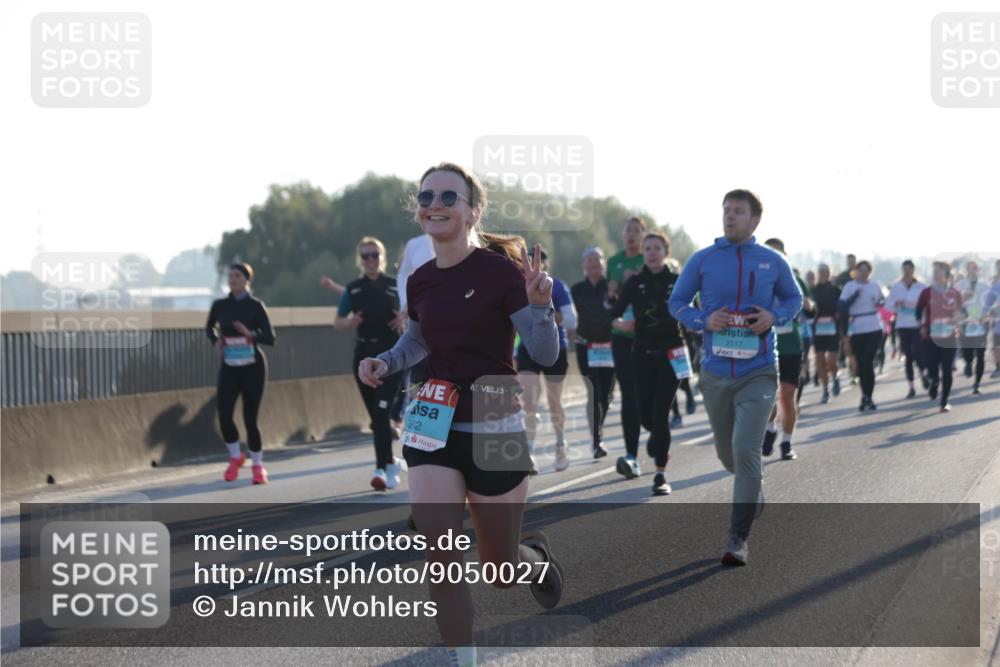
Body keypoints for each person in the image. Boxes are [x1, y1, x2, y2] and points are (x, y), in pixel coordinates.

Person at [358, 163, 563, 665]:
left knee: (499, 570)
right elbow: (417, 339)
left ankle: (532, 562)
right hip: (433, 422)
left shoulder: (500, 273)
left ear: (473, 211)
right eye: (427, 195)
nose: (435, 203)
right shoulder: (422, 280)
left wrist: (540, 309)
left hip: (495, 416)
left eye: (449, 196)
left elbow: (546, 351)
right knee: (441, 558)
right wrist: (385, 361)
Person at [669, 189, 803, 565]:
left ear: (755, 219)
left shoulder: (772, 261)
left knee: (746, 449)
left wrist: (773, 317)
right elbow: (676, 302)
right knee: (729, 456)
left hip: (758, 370)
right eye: (726, 210)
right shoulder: (703, 260)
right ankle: (751, 483)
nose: (730, 216)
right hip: (714, 371)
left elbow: (793, 301)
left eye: (738, 211)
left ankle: (737, 538)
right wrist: (702, 320)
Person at [607, 230, 686, 496]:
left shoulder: (677, 281)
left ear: (666, 252)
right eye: (648, 248)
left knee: (661, 413)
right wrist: (621, 323)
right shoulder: (634, 282)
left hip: (671, 354)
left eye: (657, 248)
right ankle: (654, 436)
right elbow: (615, 314)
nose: (652, 252)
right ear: (643, 252)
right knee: (646, 417)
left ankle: (660, 475)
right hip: (641, 354)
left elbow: (693, 311)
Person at [334, 236, 408, 491]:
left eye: (374, 255)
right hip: (364, 357)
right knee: (377, 419)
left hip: (392, 358)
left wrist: (403, 316)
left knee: (380, 413)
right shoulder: (352, 289)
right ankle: (390, 464)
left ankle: (381, 469)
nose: (370, 260)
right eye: (365, 256)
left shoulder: (395, 285)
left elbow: (416, 307)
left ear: (382, 258)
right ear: (360, 260)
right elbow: (338, 321)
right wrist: (350, 322)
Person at [205, 263, 275, 485]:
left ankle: (258, 466)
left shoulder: (255, 306)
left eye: (237, 275)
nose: (232, 279)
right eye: (230, 275)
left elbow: (270, 337)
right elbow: (209, 328)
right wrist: (216, 342)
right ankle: (235, 457)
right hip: (230, 366)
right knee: (224, 414)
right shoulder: (220, 305)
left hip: (253, 367)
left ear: (247, 280)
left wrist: (250, 333)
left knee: (250, 418)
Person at [517, 247, 577, 473]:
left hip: (555, 348)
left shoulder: (558, 286)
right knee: (529, 402)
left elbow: (572, 321)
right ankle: (529, 452)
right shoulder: (518, 287)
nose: (535, 265)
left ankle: (561, 444)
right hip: (527, 349)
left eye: (539, 261)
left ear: (546, 265)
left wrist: (544, 313)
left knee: (553, 403)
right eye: (530, 262)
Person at [761, 239, 809, 460]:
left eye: (778, 254)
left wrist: (811, 307)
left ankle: (787, 442)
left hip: (790, 346)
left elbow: (809, 307)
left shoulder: (795, 280)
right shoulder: (758, 280)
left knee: (788, 396)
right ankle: (770, 427)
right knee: (768, 397)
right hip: (766, 346)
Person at [606, 216, 647, 471]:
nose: (631, 235)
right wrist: (612, 290)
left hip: (647, 336)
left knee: (647, 394)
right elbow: (609, 300)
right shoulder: (614, 262)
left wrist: (637, 278)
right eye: (627, 231)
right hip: (622, 335)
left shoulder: (650, 260)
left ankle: (656, 435)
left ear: (643, 236)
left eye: (636, 231)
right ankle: (631, 454)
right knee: (628, 395)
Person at [570, 245, 614, 460]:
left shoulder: (612, 287)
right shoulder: (576, 290)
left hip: (609, 347)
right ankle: (596, 441)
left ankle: (599, 428)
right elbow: (570, 317)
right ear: (583, 266)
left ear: (603, 264)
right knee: (593, 393)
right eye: (589, 260)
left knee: (606, 395)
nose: (594, 264)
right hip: (585, 346)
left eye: (597, 259)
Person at [916, 262, 964, 411]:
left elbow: (963, 311)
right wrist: (921, 324)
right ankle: (934, 381)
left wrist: (959, 318)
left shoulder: (955, 292)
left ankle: (944, 401)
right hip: (930, 337)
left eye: (939, 271)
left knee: (947, 368)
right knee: (932, 368)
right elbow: (918, 311)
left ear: (947, 275)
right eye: (934, 271)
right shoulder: (926, 292)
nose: (935, 274)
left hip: (949, 336)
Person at [838, 260, 885, 411]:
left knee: (868, 362)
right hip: (857, 328)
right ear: (856, 271)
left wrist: (883, 302)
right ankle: (865, 396)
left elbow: (882, 301)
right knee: (860, 364)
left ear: (870, 272)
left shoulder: (875, 286)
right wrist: (854, 297)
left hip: (873, 327)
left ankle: (868, 397)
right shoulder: (850, 286)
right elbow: (841, 306)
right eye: (861, 270)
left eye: (866, 271)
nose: (863, 273)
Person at [886, 260, 928, 398]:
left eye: (910, 269)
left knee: (919, 354)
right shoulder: (896, 287)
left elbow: (927, 304)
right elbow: (889, 307)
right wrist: (896, 304)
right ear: (902, 271)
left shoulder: (921, 287)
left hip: (917, 325)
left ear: (913, 270)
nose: (907, 272)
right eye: (905, 269)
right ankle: (911, 387)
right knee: (908, 357)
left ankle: (923, 375)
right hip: (902, 325)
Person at [954, 260, 989, 394]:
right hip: (965, 323)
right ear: (966, 270)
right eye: (970, 268)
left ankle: (977, 383)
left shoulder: (984, 286)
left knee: (980, 354)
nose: (972, 271)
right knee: (967, 352)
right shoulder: (959, 285)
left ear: (978, 270)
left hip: (981, 323)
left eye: (975, 268)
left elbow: (991, 303)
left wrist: (986, 315)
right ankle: (968, 363)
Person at [811, 263, 842, 403]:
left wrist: (838, 315)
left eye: (826, 271)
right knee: (820, 361)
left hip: (833, 328)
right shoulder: (813, 290)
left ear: (830, 273)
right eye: (821, 271)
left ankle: (835, 377)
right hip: (818, 330)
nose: (824, 274)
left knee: (832, 361)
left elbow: (842, 308)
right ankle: (825, 389)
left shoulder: (836, 290)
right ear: (818, 273)